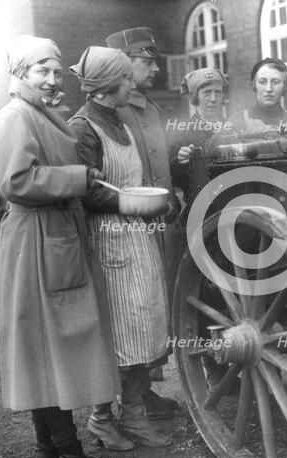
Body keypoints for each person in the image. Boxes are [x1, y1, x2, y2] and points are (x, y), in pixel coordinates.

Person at [0, 35, 119, 458]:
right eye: (41, 71)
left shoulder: (41, 114)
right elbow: (18, 182)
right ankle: (68, 448)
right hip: (34, 241)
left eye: (56, 71)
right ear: (20, 73)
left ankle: (49, 446)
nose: (50, 79)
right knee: (43, 346)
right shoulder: (13, 118)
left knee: (45, 346)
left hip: (55, 236)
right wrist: (79, 178)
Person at [69, 45, 173, 450]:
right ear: (107, 84)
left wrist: (143, 203)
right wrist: (128, 202)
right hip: (108, 240)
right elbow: (84, 190)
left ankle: (132, 414)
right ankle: (102, 419)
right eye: (127, 77)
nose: (133, 82)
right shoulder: (83, 128)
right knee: (117, 332)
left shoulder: (120, 119)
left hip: (136, 234)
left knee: (143, 327)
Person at [106, 27, 183, 399]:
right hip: (126, 225)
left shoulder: (152, 109)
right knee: (130, 308)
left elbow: (158, 162)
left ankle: (144, 387)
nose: (155, 69)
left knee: (153, 302)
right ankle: (130, 394)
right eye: (147, 62)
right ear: (125, 64)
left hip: (156, 222)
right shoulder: (114, 110)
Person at [168, 66, 229, 209]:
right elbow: (174, 177)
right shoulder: (183, 133)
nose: (213, 99)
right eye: (207, 92)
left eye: (218, 93)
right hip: (201, 210)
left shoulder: (233, 127)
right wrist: (181, 160)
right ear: (195, 97)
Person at [229, 57, 287, 133]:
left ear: (285, 85)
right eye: (262, 82)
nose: (269, 89)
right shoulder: (239, 120)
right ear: (254, 85)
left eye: (275, 82)